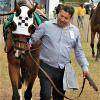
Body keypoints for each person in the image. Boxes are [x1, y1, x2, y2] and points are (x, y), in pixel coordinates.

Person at [29, 5, 89, 100]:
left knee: (59, 97)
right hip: (46, 67)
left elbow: (79, 52)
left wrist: (84, 67)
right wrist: (28, 44)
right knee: (45, 95)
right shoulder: (46, 26)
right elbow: (33, 39)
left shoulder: (75, 31)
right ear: (58, 13)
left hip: (63, 69)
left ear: (71, 19)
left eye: (66, 18)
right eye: (61, 16)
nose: (62, 19)